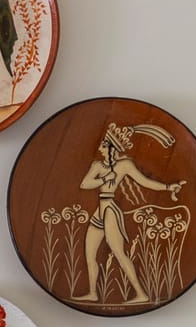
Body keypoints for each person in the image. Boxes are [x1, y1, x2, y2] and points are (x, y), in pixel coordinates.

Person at [75, 123, 184, 305]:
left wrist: (167, 187)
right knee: (89, 254)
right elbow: (84, 184)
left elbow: (144, 181)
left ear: (112, 147)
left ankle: (141, 294)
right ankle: (93, 293)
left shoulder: (124, 165)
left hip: (110, 211)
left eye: (104, 145)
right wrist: (105, 178)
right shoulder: (97, 166)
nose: (100, 148)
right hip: (99, 212)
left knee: (119, 253)